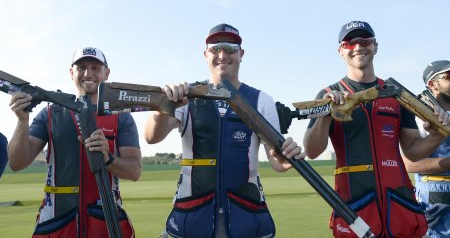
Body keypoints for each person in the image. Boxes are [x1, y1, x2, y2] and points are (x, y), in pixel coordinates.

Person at [285, 21, 449, 237]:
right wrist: (326, 114)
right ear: (340, 51)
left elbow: (412, 151)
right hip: (355, 203)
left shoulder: (395, 93)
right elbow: (313, 151)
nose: (358, 46)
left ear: (375, 46)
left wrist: (437, 135)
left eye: (365, 40)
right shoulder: (328, 93)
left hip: (399, 202)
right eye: (350, 42)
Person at [144, 23, 303, 238]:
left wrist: (288, 158)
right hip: (192, 214)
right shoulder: (187, 95)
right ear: (205, 54)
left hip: (245, 214)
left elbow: (276, 161)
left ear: (241, 54)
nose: (222, 55)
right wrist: (164, 105)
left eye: (230, 48)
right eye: (215, 48)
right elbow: (152, 137)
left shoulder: (261, 100)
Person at [8, 47, 142, 237]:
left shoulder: (121, 116)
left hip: (106, 221)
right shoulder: (49, 113)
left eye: (95, 68)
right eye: (81, 67)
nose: (88, 73)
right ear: (72, 72)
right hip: (57, 222)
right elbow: (17, 163)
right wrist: (22, 121)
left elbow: (134, 171)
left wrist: (108, 158)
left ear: (106, 73)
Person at [401, 60, 450, 237]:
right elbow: (410, 164)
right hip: (436, 196)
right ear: (432, 85)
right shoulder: (421, 117)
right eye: (448, 76)